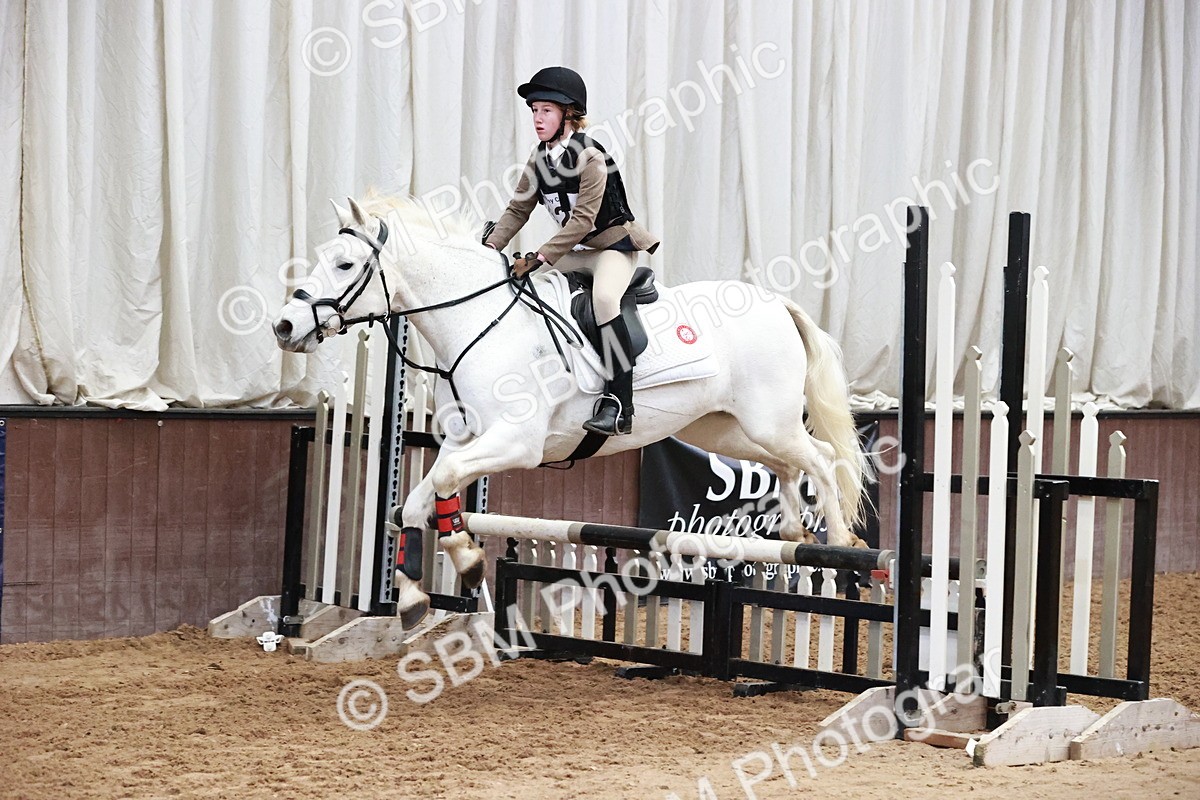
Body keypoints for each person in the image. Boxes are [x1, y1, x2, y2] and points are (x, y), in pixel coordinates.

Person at [485, 66, 660, 437]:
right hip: (573, 251)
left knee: (605, 301)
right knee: (526, 293)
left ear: (569, 114)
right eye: (534, 110)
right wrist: (488, 248)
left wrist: (539, 257)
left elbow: (582, 221)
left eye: (546, 110)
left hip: (611, 248)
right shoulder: (539, 158)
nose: (537, 118)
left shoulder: (591, 157)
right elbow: (518, 209)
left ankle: (619, 405)